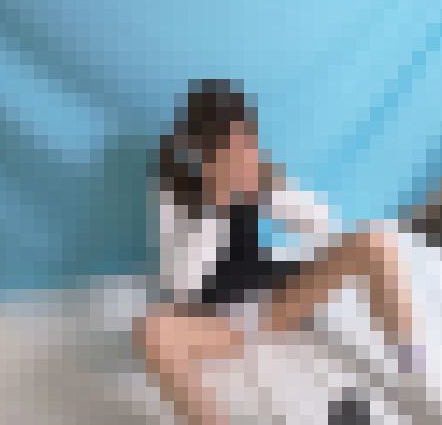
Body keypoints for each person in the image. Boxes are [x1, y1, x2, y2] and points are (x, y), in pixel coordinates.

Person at [134, 79, 415, 424]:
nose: (244, 154)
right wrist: (216, 199)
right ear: (203, 153)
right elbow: (184, 287)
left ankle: (411, 368)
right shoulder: (172, 191)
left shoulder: (259, 177)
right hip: (217, 319)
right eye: (230, 146)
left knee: (373, 240)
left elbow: (325, 226)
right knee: (151, 331)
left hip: (273, 302)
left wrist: (276, 189)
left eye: (247, 141)